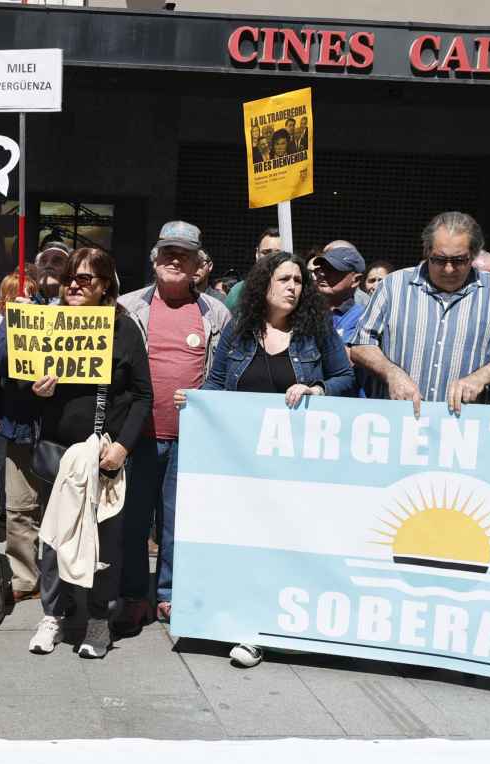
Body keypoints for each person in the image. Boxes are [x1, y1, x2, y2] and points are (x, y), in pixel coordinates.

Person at [27, 247, 152, 658]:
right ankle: (54, 615)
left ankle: (99, 619)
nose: (75, 286)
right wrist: (38, 393)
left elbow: (141, 395)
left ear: (106, 286)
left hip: (104, 455)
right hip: (58, 452)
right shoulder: (48, 324)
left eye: (86, 279)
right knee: (54, 536)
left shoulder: (125, 329)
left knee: (104, 540)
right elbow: (17, 389)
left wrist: (122, 446)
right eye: (69, 280)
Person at [117, 222, 232, 628]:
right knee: (132, 520)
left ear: (199, 264)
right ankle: (133, 594)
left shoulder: (216, 311)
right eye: (167, 251)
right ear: (153, 259)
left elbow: (224, 375)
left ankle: (168, 593)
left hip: (191, 439)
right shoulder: (127, 306)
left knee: (177, 520)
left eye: (184, 254)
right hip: (136, 437)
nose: (174, 259)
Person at [348, 211, 490, 416]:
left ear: (473, 256)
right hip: (398, 420)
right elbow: (361, 345)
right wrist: (392, 373)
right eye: (439, 260)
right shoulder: (393, 286)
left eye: (459, 261)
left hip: (462, 426)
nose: (449, 269)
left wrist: (482, 376)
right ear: (427, 252)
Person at [0, 254, 65, 604]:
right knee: (19, 508)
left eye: (58, 264)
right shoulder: (15, 314)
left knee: (58, 507)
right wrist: (18, 325)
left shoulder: (79, 312)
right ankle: (23, 576)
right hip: (19, 425)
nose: (51, 269)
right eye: (44, 263)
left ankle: (58, 576)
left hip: (60, 429)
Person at [193, 252, 355, 400]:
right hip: (241, 429)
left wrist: (315, 390)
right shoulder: (238, 327)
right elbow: (215, 383)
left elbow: (345, 377)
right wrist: (194, 399)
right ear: (264, 285)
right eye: (284, 279)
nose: (292, 287)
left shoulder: (318, 327)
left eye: (297, 281)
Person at [312, 244, 368, 344]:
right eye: (320, 269)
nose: (322, 274)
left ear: (356, 280)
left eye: (331, 270)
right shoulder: (304, 310)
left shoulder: (363, 319)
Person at [224, 227, 282, 315]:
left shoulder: (295, 290)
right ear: (257, 254)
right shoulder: (238, 291)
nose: (272, 258)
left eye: (278, 254)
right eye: (266, 252)